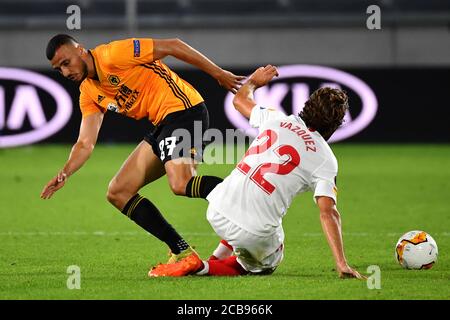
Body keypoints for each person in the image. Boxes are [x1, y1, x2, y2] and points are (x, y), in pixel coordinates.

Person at [40, 34, 245, 263]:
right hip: (163, 124)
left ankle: (246, 202)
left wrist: (218, 73)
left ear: (80, 50)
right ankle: (182, 251)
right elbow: (85, 143)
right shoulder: (88, 92)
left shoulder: (113, 54)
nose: (66, 73)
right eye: (59, 69)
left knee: (181, 182)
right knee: (118, 191)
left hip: (184, 111)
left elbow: (173, 45)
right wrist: (66, 172)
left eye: (66, 63)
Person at [149, 65, 365, 279]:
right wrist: (341, 263)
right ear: (336, 124)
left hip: (217, 210)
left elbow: (239, 100)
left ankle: (215, 259)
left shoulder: (275, 119)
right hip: (254, 232)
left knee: (248, 201)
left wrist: (253, 81)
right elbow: (328, 213)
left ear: (307, 106)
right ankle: (201, 267)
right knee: (266, 264)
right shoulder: (326, 159)